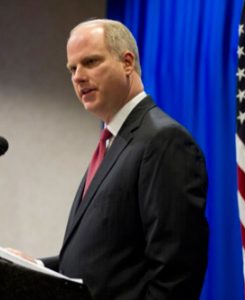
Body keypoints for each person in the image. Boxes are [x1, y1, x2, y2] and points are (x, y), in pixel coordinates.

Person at [43, 19, 209, 300]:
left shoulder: (163, 141)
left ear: (127, 62)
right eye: (72, 68)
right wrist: (34, 267)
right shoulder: (113, 143)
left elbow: (176, 274)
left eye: (90, 62)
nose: (78, 77)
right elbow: (102, 261)